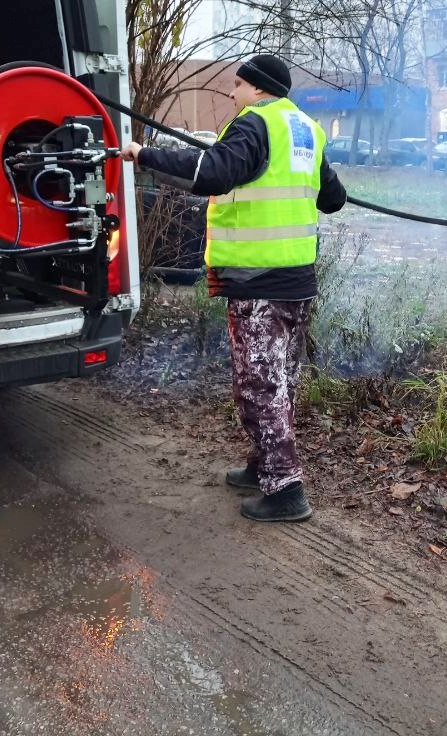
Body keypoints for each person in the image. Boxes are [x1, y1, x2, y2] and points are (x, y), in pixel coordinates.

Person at [121, 54, 346, 523]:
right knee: (280, 379)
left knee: (261, 385)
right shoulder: (306, 128)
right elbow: (334, 199)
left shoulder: (254, 123)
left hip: (256, 279)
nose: (232, 93)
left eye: (238, 85)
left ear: (260, 89)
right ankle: (265, 464)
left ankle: (286, 492)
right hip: (298, 279)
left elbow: (214, 172)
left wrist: (144, 155)